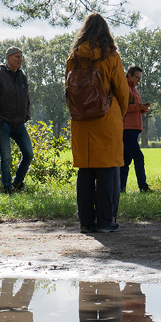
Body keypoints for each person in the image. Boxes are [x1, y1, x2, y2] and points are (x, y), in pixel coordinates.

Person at [66, 12, 129, 233]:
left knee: (85, 171)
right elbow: (122, 90)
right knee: (106, 171)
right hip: (106, 117)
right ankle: (104, 222)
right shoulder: (111, 56)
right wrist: (118, 114)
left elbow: (70, 90)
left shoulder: (73, 57)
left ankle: (85, 223)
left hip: (81, 119)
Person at [0, 46, 33, 193]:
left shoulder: (22, 76)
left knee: (29, 154)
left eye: (21, 56)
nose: (20, 59)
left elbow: (26, 97)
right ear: (8, 58)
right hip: (3, 123)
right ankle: (7, 188)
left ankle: (17, 183)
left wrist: (26, 115)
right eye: (17, 57)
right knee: (6, 157)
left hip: (19, 123)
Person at [120, 66, 151, 192]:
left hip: (135, 128)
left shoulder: (135, 91)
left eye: (139, 79)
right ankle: (142, 185)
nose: (138, 81)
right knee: (138, 157)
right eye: (136, 78)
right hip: (126, 128)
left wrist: (142, 110)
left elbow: (134, 109)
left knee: (125, 160)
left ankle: (121, 188)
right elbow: (124, 107)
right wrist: (139, 108)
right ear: (129, 75)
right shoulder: (124, 88)